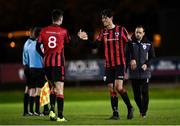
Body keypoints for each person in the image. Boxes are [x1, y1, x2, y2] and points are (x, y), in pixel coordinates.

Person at [78, 9, 134, 120]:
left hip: (119, 64)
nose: (103, 20)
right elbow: (95, 45)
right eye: (102, 18)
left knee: (119, 87)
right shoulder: (103, 32)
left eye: (105, 18)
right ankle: (115, 113)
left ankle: (130, 107)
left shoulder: (121, 30)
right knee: (111, 88)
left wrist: (132, 59)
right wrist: (85, 39)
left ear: (111, 18)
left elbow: (130, 44)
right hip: (109, 64)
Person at [36, 9, 73, 122]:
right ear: (60, 19)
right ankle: (60, 116)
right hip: (58, 64)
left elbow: (37, 47)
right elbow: (70, 43)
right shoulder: (63, 31)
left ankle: (52, 112)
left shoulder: (44, 31)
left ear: (52, 18)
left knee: (52, 88)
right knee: (60, 89)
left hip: (47, 64)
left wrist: (44, 55)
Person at [127, 25, 155, 118]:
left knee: (144, 92)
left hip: (145, 73)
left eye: (140, 32)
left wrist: (146, 64)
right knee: (136, 96)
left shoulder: (148, 44)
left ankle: (143, 112)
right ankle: (142, 110)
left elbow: (152, 57)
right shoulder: (130, 43)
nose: (138, 34)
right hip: (134, 73)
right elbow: (126, 56)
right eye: (136, 32)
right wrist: (130, 60)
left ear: (143, 33)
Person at [22, 27, 49, 116]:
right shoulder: (40, 45)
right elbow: (43, 58)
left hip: (30, 68)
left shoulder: (29, 45)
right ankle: (38, 111)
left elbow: (27, 58)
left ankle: (30, 111)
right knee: (39, 90)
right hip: (39, 69)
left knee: (31, 90)